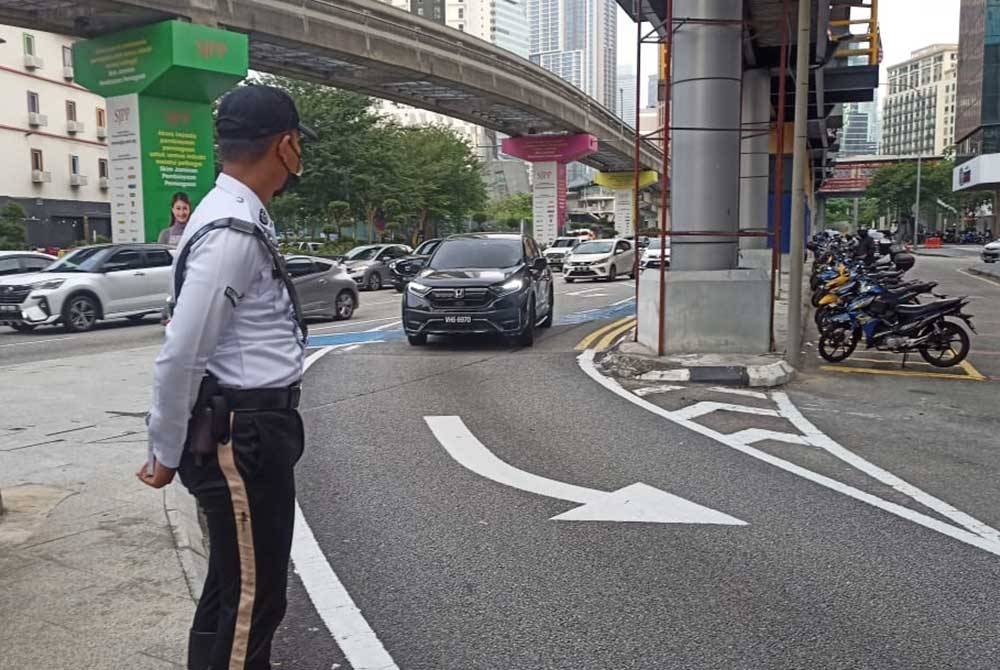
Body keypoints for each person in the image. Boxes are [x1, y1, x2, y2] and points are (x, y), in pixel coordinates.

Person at [138, 84, 317, 670]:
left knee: (231, 595)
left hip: (248, 427)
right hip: (242, 435)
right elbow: (183, 350)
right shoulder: (232, 230)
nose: (299, 156)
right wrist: (164, 449)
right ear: (285, 146)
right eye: (298, 144)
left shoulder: (232, 213)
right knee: (252, 605)